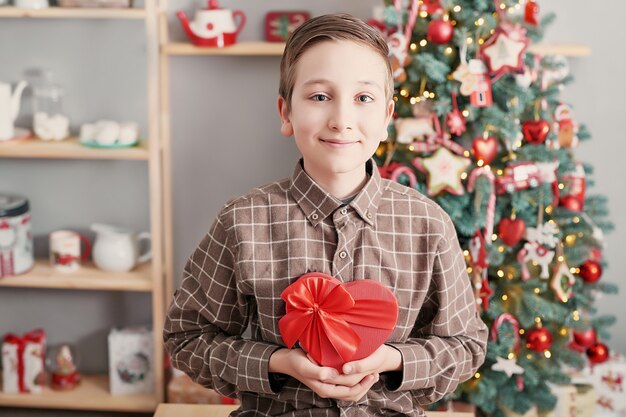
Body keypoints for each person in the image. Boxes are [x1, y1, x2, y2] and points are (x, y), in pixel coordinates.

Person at [163, 13, 488, 417]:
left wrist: (390, 359)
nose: (341, 120)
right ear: (285, 113)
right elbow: (186, 337)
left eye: (363, 98)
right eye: (320, 96)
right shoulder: (241, 222)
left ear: (387, 118)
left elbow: (466, 345)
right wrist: (278, 363)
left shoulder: (428, 224)